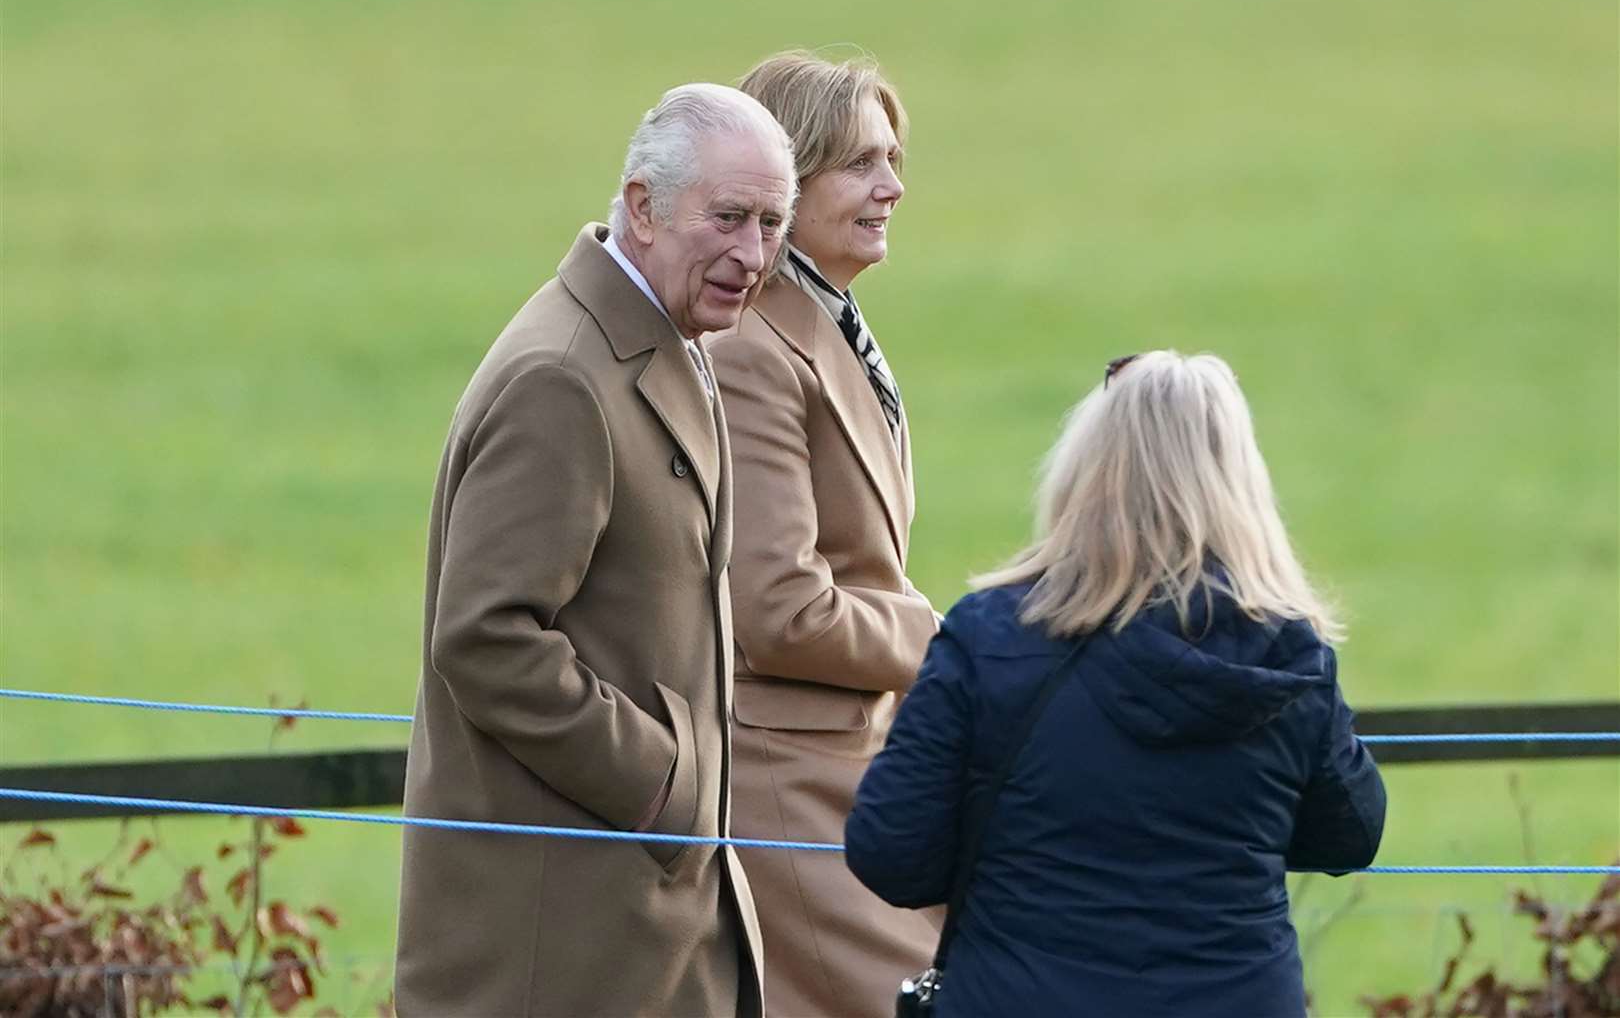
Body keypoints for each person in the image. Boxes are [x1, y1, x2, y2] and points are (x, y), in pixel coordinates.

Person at [394, 84, 797, 1018]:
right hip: (561, 948)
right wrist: (662, 784)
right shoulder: (563, 377)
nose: (752, 253)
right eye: (729, 217)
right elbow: (487, 639)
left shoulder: (666, 338)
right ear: (644, 206)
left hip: (633, 930)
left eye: (772, 223)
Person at [846, 350, 1387, 1017]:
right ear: (1241, 484)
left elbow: (889, 851)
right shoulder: (1286, 651)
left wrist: (1013, 856)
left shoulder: (990, 636)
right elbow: (1350, 834)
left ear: (1085, 471)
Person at [708, 51, 941, 1018]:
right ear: (786, 182)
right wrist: (948, 643)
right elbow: (779, 610)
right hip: (786, 786)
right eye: (860, 165)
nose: (892, 187)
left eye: (892, 159)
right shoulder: (756, 347)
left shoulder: (830, 318)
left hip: (856, 771)